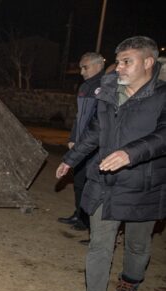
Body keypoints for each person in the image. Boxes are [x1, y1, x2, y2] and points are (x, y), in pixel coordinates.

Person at [55, 36, 165, 291]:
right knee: (99, 244)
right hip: (105, 180)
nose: (121, 67)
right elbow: (94, 132)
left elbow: (164, 135)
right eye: (119, 61)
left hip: (144, 184)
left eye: (128, 61)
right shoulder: (108, 93)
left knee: (137, 244)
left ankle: (130, 280)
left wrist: (131, 153)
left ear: (148, 62)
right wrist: (71, 159)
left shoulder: (162, 96)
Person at [58, 52, 105, 231]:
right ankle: (79, 214)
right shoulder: (86, 86)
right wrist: (73, 138)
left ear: (98, 66)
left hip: (94, 145)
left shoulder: (104, 86)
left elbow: (98, 122)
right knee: (78, 182)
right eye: (81, 67)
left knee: (89, 185)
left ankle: (88, 222)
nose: (81, 71)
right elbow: (80, 117)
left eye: (85, 67)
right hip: (82, 142)